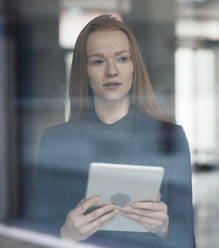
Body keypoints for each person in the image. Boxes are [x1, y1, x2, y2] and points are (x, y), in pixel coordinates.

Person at [31, 15, 195, 248]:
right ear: (84, 70)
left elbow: (187, 240)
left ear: (134, 66)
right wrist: (65, 235)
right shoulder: (56, 140)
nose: (112, 71)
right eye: (98, 61)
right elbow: (35, 234)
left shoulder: (170, 137)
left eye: (122, 59)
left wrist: (164, 227)